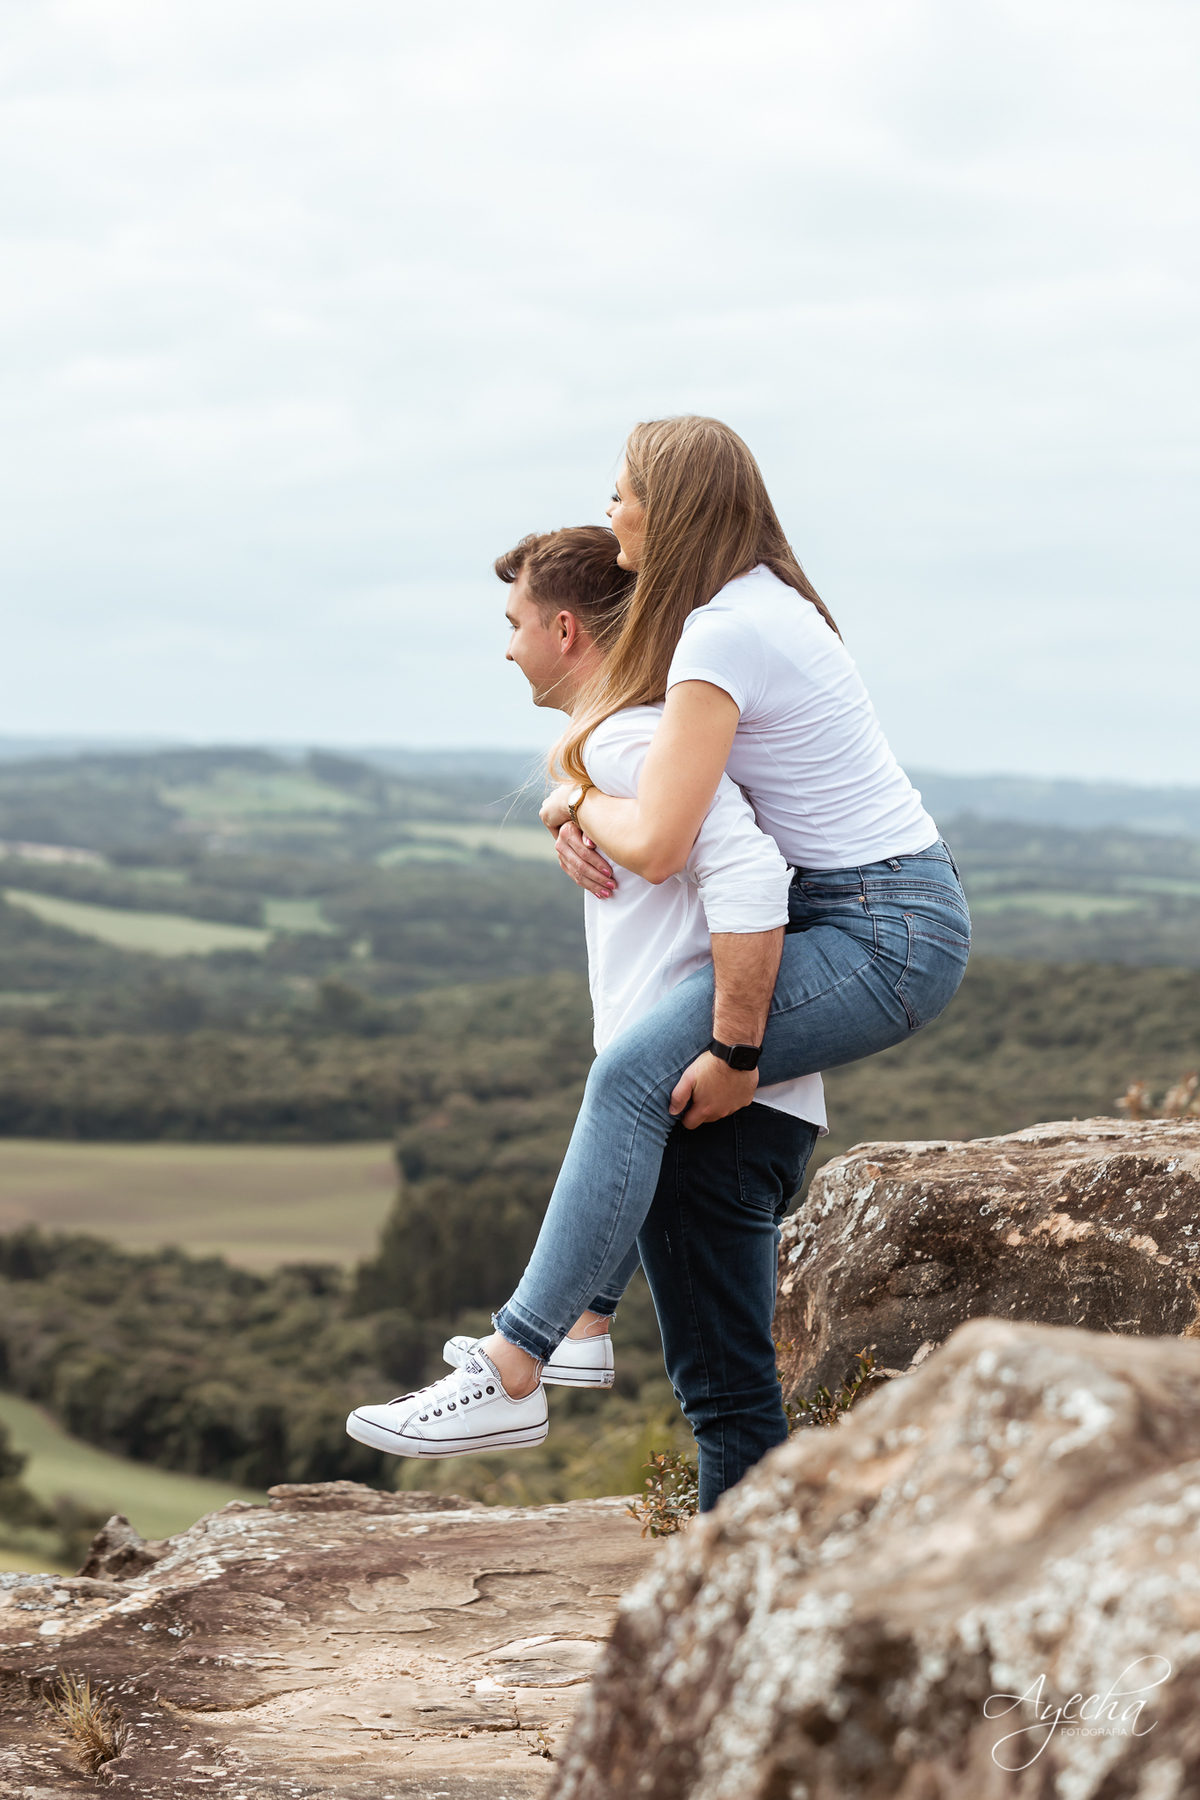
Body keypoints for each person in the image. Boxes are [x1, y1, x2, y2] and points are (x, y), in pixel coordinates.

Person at [350, 415, 970, 1478]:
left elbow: (674, 837)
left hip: (882, 928)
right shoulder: (751, 611)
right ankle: (580, 1328)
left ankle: (514, 1363)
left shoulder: (723, 631)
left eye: (624, 491)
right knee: (644, 1098)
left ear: (671, 505)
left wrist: (573, 795)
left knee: (634, 1076)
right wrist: (572, 802)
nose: (612, 510)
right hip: (876, 913)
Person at [348, 527, 828, 1504]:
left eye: (514, 623)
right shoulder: (626, 739)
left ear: (565, 629)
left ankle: (726, 1612)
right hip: (718, 1097)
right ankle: (576, 1337)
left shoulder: (628, 738)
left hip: (709, 1100)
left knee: (727, 1397)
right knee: (726, 1386)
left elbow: (746, 873)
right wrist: (568, 801)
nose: (508, 645)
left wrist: (732, 1047)